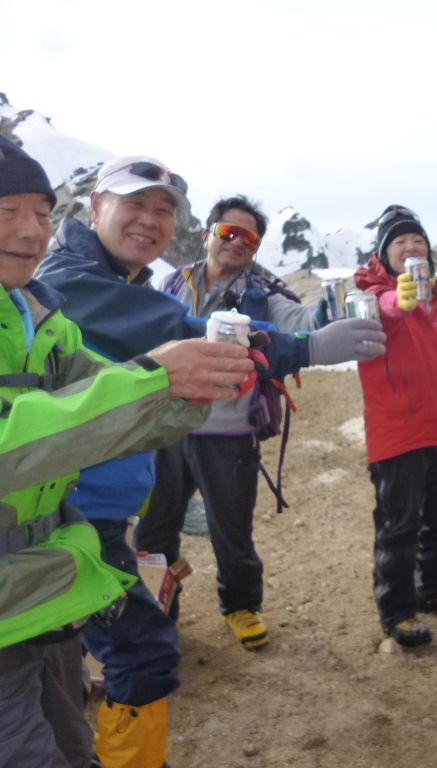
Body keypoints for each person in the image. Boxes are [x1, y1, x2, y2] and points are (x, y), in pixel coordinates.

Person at [35, 156, 383, 764]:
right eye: (133, 205)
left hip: (157, 469)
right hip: (69, 510)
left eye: (163, 210)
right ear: (94, 208)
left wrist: (309, 334)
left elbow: (279, 318)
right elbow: (168, 329)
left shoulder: (152, 279)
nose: (149, 220)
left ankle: (234, 608)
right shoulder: (88, 279)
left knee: (223, 532)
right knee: (138, 647)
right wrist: (302, 350)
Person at [0, 136, 253, 768]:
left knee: (74, 740)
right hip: (29, 585)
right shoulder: (70, 289)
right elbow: (18, 440)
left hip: (41, 587)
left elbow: (105, 392)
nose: (30, 230)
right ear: (95, 208)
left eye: (38, 210)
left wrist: (191, 390)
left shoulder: (38, 317)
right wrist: (160, 376)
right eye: (8, 209)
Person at [136, 194, 330, 651]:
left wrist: (329, 314)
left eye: (249, 237)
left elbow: (300, 320)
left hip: (228, 431)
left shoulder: (263, 292)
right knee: (155, 529)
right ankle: (160, 609)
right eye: (228, 231)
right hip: (166, 429)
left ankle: (241, 606)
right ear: (208, 234)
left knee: (231, 529)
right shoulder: (172, 283)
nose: (237, 242)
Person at [353, 205, 437, 647]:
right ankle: (397, 609)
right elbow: (383, 309)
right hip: (396, 431)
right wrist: (396, 300)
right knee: (399, 524)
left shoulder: (434, 299)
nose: (410, 247)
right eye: (399, 241)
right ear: (383, 254)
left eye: (417, 240)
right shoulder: (370, 295)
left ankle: (436, 588)